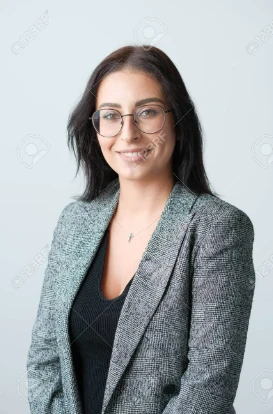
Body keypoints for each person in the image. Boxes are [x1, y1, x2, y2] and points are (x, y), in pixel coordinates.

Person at [26, 45, 255, 414]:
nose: (128, 133)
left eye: (147, 112)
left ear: (178, 120)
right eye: (111, 115)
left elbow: (209, 387)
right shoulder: (74, 223)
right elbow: (44, 362)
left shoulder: (218, 228)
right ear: (95, 126)